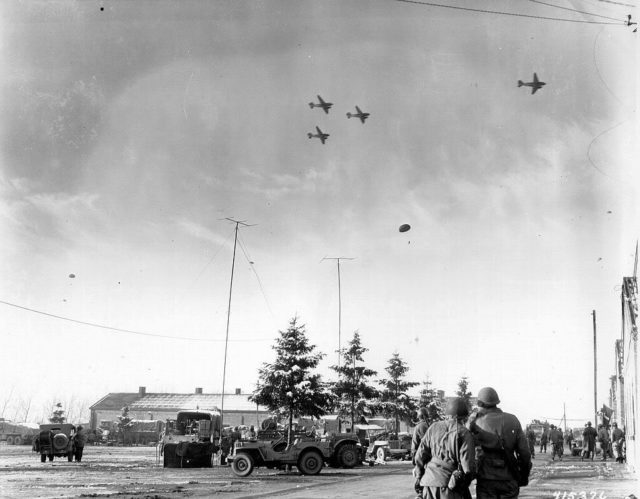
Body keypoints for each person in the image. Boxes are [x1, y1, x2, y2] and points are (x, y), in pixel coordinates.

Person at [467, 387, 532, 499]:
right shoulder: (512, 420)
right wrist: (524, 476)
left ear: (480, 403)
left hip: (486, 479)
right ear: (496, 402)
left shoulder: (475, 422)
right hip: (509, 477)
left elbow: (466, 448)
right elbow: (525, 453)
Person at [413, 397, 476, 499]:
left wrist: (419, 477)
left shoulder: (433, 427)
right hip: (449, 488)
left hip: (428, 484)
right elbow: (468, 467)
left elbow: (420, 455)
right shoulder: (464, 433)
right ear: (463, 417)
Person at [412, 407, 431, 499]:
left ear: (419, 416)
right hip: (433, 458)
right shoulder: (432, 425)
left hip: (422, 457)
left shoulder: (418, 427)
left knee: (419, 480)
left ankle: (421, 494)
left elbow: (414, 446)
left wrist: (413, 459)